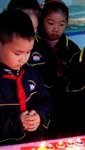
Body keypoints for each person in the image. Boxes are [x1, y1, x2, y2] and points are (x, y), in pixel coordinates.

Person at [29, 0, 80, 137]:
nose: (56, 28)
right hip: (39, 102)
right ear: (41, 21)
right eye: (50, 23)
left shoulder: (73, 49)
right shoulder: (31, 46)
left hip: (65, 103)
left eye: (61, 24)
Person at [0, 9, 51, 145]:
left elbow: (45, 100)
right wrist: (17, 122)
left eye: (28, 52)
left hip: (32, 145)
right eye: (17, 53)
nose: (23, 59)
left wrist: (38, 116)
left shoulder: (32, 73)